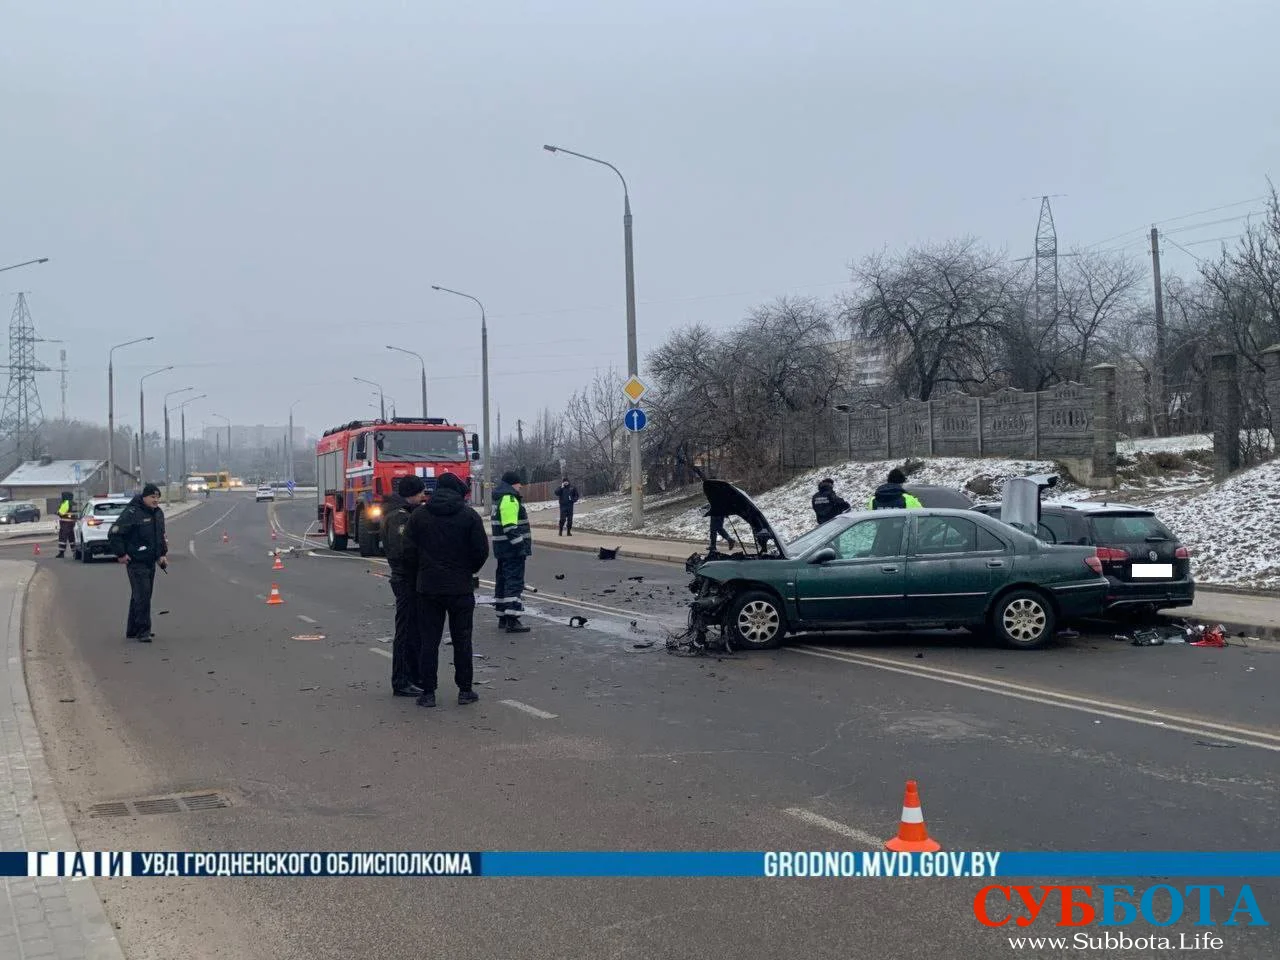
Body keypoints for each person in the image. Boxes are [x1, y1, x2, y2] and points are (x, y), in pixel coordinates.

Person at [405, 471, 489, 708]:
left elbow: (408, 552)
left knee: (428, 641)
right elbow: (480, 551)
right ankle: (465, 690)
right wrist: (467, 570)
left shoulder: (419, 516)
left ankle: (428, 692)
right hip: (460, 588)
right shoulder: (469, 516)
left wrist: (421, 572)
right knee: (462, 640)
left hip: (428, 588)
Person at [380, 475, 428, 697]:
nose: (423, 496)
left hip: (409, 579)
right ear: (411, 494)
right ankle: (401, 680)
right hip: (405, 579)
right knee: (406, 632)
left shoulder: (404, 513)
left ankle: (414, 675)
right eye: (420, 493)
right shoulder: (399, 518)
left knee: (414, 631)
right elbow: (402, 551)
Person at [108, 483, 168, 641]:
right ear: (144, 497)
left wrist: (162, 554)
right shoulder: (133, 512)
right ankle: (144, 631)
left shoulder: (157, 513)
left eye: (157, 497)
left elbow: (160, 535)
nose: (156, 500)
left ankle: (133, 629)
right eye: (152, 497)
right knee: (143, 595)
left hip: (150, 560)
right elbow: (114, 533)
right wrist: (121, 554)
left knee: (141, 595)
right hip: (136, 561)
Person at [491, 470, 532, 634]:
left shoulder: (499, 498)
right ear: (512, 484)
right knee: (513, 582)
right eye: (518, 483)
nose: (520, 486)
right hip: (512, 550)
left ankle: (502, 616)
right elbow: (510, 527)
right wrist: (520, 545)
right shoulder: (509, 498)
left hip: (502, 549)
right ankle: (512, 619)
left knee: (502, 581)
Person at [55, 490, 77, 558]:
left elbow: (61, 513)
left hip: (65, 524)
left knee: (62, 538)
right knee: (72, 538)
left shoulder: (66, 503)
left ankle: (61, 553)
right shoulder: (74, 503)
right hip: (73, 523)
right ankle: (75, 552)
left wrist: (57, 512)